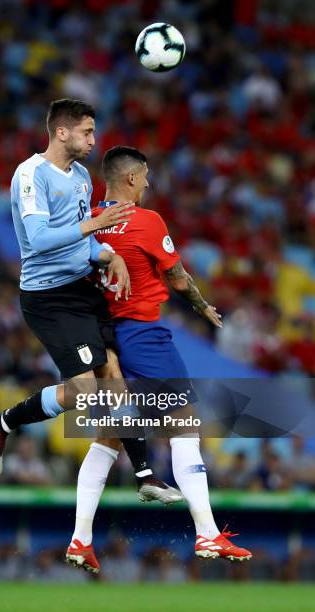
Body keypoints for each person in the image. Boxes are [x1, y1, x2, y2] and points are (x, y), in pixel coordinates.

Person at [0, 99, 180, 505]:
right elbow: (39, 239)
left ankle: (145, 476)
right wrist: (95, 226)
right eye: (87, 132)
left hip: (83, 288)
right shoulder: (32, 175)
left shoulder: (82, 176)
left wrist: (110, 255)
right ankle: (1, 422)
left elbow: (84, 241)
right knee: (87, 391)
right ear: (62, 132)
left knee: (113, 376)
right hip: (49, 296)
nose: (93, 139)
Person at [66, 146, 252, 573]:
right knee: (185, 425)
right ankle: (207, 533)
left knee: (110, 436)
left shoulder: (89, 223)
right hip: (143, 335)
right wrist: (201, 305)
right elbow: (176, 275)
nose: (148, 183)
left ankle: (81, 539)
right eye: (145, 176)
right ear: (131, 179)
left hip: (103, 338)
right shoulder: (145, 221)